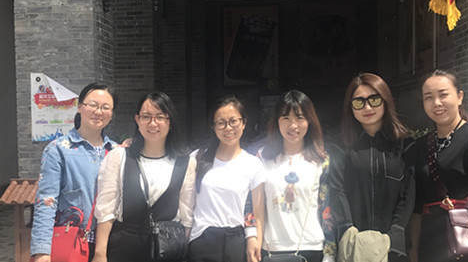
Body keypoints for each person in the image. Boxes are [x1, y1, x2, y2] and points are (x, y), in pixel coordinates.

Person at [91, 91, 196, 262]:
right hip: (124, 249)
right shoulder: (119, 156)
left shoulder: (186, 163)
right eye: (146, 116)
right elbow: (106, 209)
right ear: (137, 120)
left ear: (170, 121)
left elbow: (186, 216)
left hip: (167, 251)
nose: (153, 123)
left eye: (160, 117)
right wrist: (100, 254)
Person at [410, 70, 468, 262]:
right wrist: (413, 250)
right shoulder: (420, 146)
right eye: (429, 97)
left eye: (443, 95)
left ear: (459, 97)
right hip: (430, 246)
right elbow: (417, 205)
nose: (436, 103)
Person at [330, 73, 415, 261]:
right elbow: (337, 189)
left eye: (374, 99)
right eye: (359, 102)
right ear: (350, 107)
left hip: (393, 246)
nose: (367, 107)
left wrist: (396, 232)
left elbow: (409, 194)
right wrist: (346, 229)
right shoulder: (340, 146)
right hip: (353, 245)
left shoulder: (404, 145)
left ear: (385, 101)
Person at [31, 82, 118, 262]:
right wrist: (42, 251)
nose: (98, 112)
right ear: (79, 107)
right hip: (71, 244)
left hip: (110, 246)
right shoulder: (58, 150)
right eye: (93, 105)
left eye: (105, 107)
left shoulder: (118, 152)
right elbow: (46, 201)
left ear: (111, 113)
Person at [259, 90, 336, 262]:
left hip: (311, 247)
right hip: (271, 248)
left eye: (300, 118)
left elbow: (327, 208)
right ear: (277, 121)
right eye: (285, 118)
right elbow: (253, 205)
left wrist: (330, 252)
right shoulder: (262, 158)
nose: (293, 125)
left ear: (309, 121)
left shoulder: (321, 161)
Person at [188, 95, 266, 262]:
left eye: (233, 121)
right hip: (202, 239)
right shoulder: (197, 158)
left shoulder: (253, 164)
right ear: (213, 127)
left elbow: (258, 213)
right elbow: (186, 203)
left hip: (236, 241)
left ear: (243, 123)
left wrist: (255, 243)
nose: (228, 128)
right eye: (221, 123)